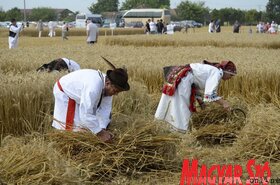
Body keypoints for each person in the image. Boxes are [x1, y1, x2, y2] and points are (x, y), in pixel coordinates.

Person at [52, 57, 130, 142]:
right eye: (115, 91)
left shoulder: (108, 87)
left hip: (79, 94)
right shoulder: (93, 88)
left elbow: (105, 110)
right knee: (69, 128)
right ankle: (63, 145)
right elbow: (86, 114)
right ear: (108, 83)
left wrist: (102, 129)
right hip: (65, 93)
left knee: (82, 127)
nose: (116, 94)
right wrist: (100, 133)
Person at [155, 60, 237, 133]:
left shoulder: (213, 70)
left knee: (170, 101)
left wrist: (201, 104)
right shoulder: (217, 73)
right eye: (231, 75)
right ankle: (179, 132)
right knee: (181, 107)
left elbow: (196, 86)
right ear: (226, 71)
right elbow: (209, 96)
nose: (230, 78)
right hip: (183, 79)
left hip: (180, 75)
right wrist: (224, 103)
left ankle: (162, 126)